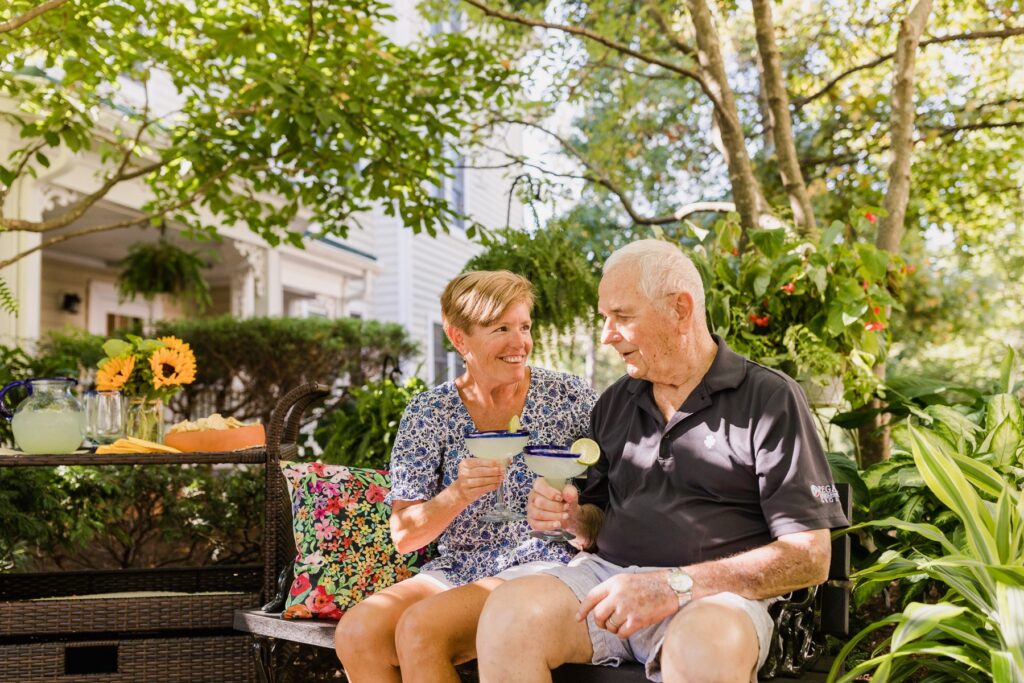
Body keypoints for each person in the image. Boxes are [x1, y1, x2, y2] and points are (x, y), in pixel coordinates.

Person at [476, 240, 849, 683]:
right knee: (508, 613)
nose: (607, 335)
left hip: (714, 597)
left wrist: (673, 584)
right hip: (607, 581)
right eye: (605, 318)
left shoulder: (768, 398)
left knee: (705, 645)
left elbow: (810, 558)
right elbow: (594, 523)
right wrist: (573, 518)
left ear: (680, 309)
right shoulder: (616, 400)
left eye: (623, 317)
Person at [335, 270, 597, 683]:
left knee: (421, 630)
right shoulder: (429, 412)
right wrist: (456, 494)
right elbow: (404, 536)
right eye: (501, 328)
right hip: (460, 568)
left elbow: (614, 481)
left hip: (547, 561)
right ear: (459, 339)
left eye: (524, 327)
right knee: (357, 633)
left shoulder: (568, 396)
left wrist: (573, 511)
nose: (520, 343)